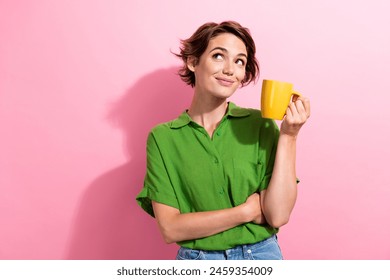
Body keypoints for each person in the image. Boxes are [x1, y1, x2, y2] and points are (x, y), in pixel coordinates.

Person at [136, 21, 310, 260]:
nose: (230, 70)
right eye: (219, 56)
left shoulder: (261, 124)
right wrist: (246, 211)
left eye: (240, 61)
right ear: (193, 62)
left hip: (261, 256)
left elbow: (278, 215)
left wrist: (289, 135)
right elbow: (170, 228)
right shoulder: (163, 138)